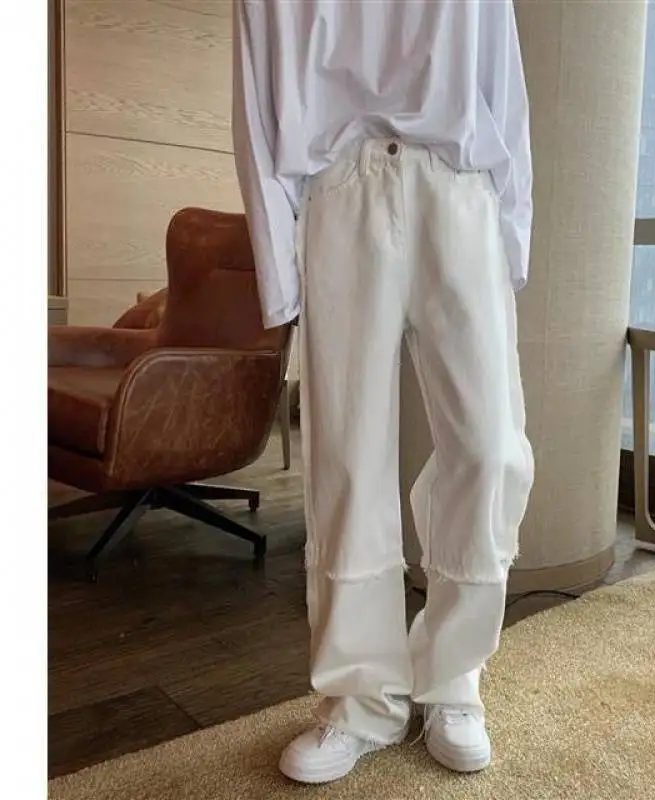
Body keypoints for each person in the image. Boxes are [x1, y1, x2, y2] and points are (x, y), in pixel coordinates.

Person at [232, 0, 535, 784]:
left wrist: (511, 234)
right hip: (340, 189)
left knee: (490, 448)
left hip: (459, 187)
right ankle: (360, 698)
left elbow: (501, 75)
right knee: (348, 458)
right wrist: (279, 269)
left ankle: (453, 676)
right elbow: (257, 101)